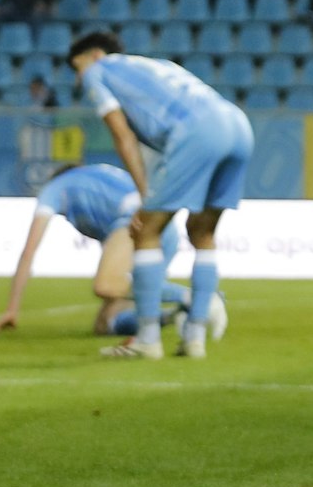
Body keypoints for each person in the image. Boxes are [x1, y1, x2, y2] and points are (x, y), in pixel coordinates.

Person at [66, 31, 254, 361]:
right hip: (237, 124)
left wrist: (143, 194)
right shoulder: (154, 65)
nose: (80, 79)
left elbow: (122, 136)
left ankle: (148, 339)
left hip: (200, 130)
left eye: (77, 67)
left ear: (95, 55)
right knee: (203, 232)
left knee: (146, 230)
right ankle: (194, 337)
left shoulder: (100, 71)